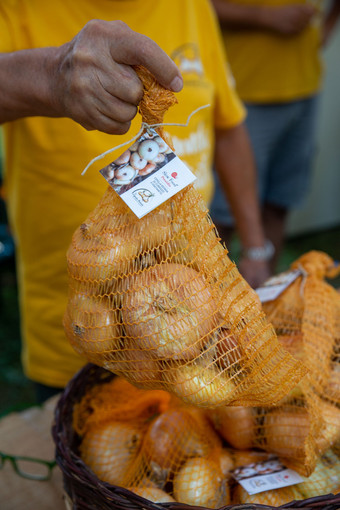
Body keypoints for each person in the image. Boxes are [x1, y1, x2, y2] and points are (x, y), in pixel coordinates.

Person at [0, 0, 270, 401]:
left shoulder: (193, 6)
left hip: (189, 327)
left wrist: (255, 246)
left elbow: (227, 127)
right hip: (75, 331)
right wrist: (50, 74)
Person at [210, 0, 340, 273]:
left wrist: (325, 29)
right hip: (243, 92)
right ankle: (210, 306)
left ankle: (267, 302)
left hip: (304, 87)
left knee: (278, 204)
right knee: (222, 218)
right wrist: (264, 16)